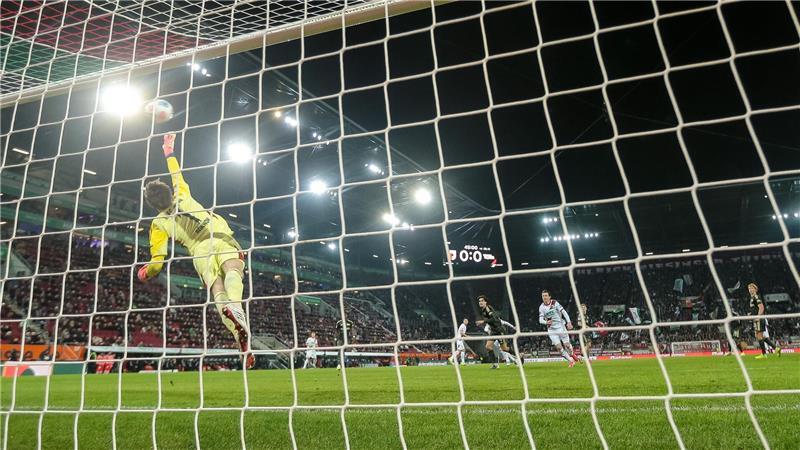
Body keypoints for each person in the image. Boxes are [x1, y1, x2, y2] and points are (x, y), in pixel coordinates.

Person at [138, 133, 253, 369]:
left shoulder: (157, 224)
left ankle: (240, 335)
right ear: (168, 192)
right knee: (233, 270)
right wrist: (168, 151)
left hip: (200, 252)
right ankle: (237, 308)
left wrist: (145, 273)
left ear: (152, 204)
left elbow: (157, 264)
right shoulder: (181, 192)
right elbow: (175, 172)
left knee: (217, 289)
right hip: (218, 235)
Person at [539, 290, 578, 367]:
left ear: (549, 297)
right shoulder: (541, 307)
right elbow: (540, 320)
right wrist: (546, 322)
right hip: (551, 330)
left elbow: (564, 312)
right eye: (543, 296)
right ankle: (571, 361)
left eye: (546, 295)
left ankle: (572, 354)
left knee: (567, 345)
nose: (544, 297)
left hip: (561, 327)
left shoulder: (554, 303)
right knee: (559, 348)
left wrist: (569, 322)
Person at [475, 295, 508, 369]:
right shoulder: (483, 310)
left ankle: (519, 356)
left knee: (505, 349)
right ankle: (495, 364)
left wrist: (483, 321)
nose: (480, 302)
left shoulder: (488, 308)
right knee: (488, 347)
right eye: (479, 301)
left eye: (482, 301)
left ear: (486, 302)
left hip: (499, 330)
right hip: (493, 331)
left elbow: (494, 319)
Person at [748, 283, 780, 359]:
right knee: (759, 336)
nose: (750, 290)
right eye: (749, 288)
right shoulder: (752, 298)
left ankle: (764, 354)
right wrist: (751, 314)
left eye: (752, 288)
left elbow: (761, 307)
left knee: (759, 336)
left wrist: (758, 317)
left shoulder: (756, 297)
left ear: (755, 289)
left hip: (759, 319)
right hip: (756, 319)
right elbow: (755, 308)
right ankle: (775, 348)